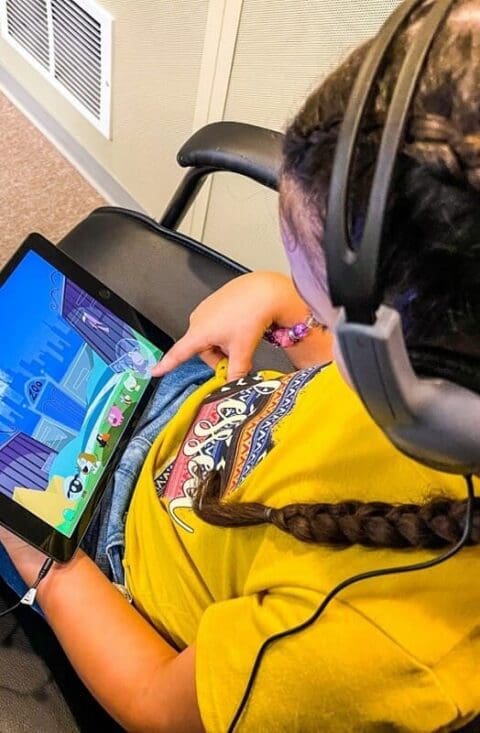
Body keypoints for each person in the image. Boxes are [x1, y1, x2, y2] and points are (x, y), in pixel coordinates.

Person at [1, 0, 480, 730]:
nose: (306, 306)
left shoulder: (362, 646)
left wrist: (42, 561)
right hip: (201, 399)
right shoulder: (445, 390)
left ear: (424, 388)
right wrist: (284, 302)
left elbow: (154, 703)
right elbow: (337, 395)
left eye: (323, 303)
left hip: (103, 554)